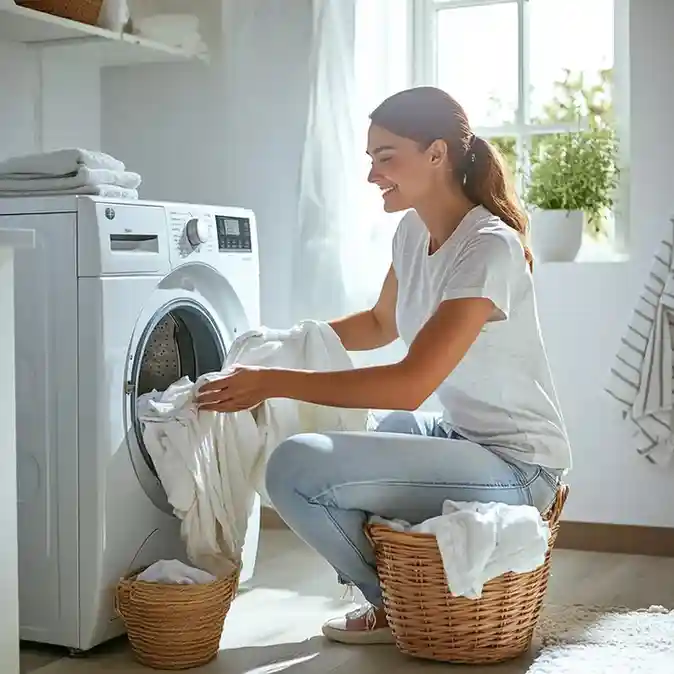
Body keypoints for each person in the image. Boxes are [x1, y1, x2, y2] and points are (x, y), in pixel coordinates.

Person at [196, 86, 571, 645]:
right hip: (462, 436)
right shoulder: (413, 231)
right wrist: (284, 341)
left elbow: (410, 384)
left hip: (520, 467)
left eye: (386, 157)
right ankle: (404, 590)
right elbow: (379, 324)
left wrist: (269, 383)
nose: (374, 175)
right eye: (371, 159)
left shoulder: (489, 247)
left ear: (437, 153)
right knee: (365, 434)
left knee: (296, 465)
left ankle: (390, 602)